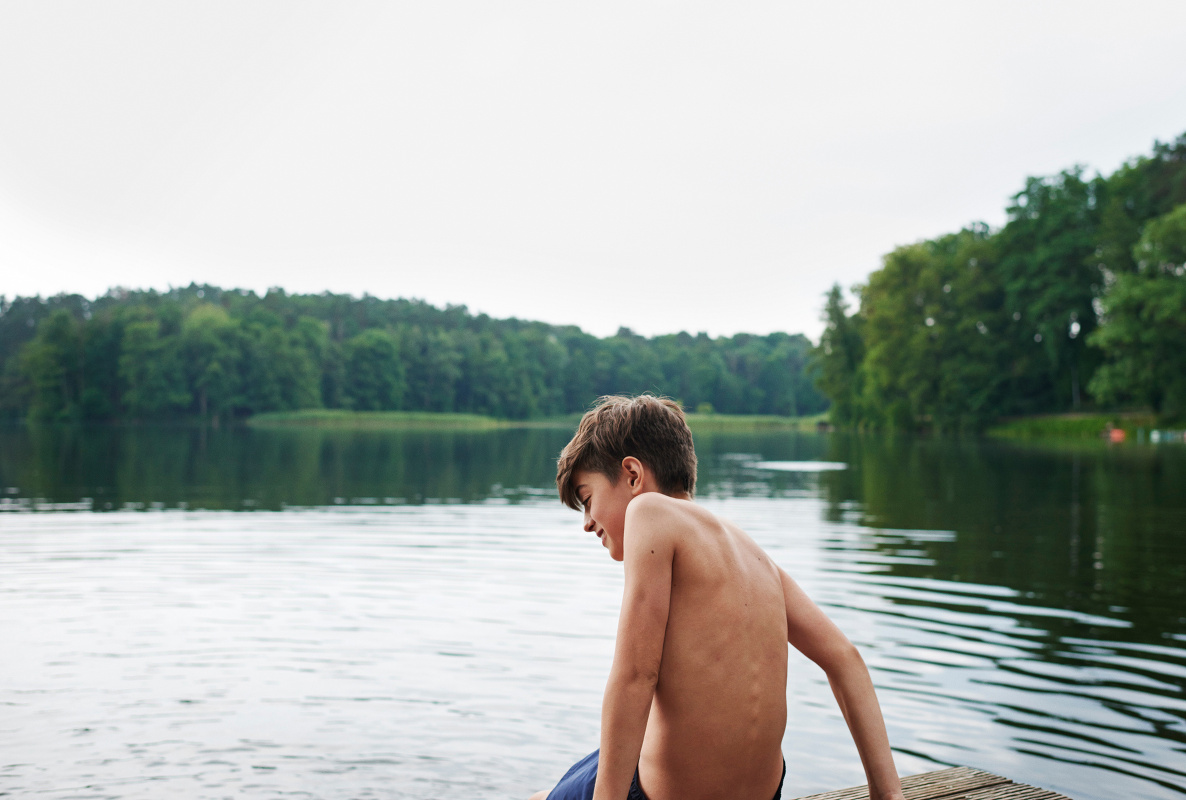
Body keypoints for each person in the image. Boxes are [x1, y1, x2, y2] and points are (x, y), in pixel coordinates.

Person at [528, 395, 905, 800]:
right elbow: (845, 659)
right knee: (585, 770)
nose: (587, 523)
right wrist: (888, 795)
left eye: (587, 500)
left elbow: (636, 676)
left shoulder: (648, 512)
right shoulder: (756, 556)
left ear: (633, 475)